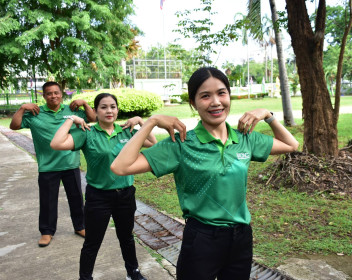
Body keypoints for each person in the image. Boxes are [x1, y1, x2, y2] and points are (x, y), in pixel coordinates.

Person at [110, 67, 299, 280]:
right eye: (205, 96)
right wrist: (152, 122)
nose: (216, 102)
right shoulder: (181, 144)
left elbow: (291, 145)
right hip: (202, 240)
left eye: (221, 93)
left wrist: (268, 115)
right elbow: (120, 167)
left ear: (229, 95)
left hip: (241, 238)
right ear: (193, 103)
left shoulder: (245, 138)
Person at [51, 93, 155, 280]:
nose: (109, 111)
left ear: (117, 110)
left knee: (127, 238)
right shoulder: (87, 132)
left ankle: (133, 272)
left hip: (125, 195)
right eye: (104, 107)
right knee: (92, 241)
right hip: (98, 196)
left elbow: (153, 145)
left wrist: (140, 121)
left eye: (113, 107)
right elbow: (56, 143)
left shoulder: (127, 130)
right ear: (96, 111)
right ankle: (85, 277)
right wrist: (71, 119)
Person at [9, 81, 96, 247]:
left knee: (77, 198)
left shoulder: (71, 110)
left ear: (61, 94)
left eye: (56, 92)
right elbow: (14, 126)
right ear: (44, 96)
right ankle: (47, 232)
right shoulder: (35, 113)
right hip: (48, 166)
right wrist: (21, 108)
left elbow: (92, 119)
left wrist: (84, 103)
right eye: (49, 93)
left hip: (70, 163)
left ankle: (80, 226)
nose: (53, 96)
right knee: (48, 201)